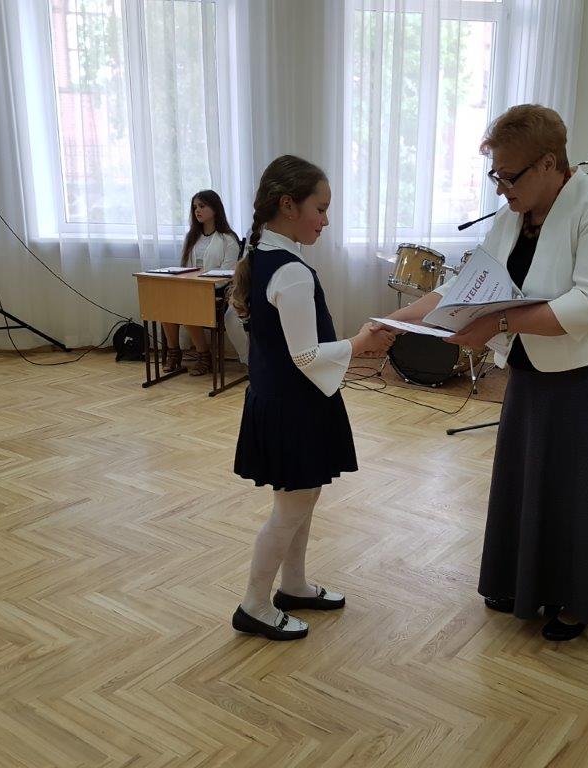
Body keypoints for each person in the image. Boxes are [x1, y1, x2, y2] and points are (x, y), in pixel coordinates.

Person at [385, 104, 588, 641]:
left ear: (549, 163)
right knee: (527, 479)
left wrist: (496, 323)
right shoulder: (513, 215)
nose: (501, 189)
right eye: (495, 175)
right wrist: (398, 320)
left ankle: (575, 599)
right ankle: (520, 582)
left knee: (577, 488)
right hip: (533, 365)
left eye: (510, 176)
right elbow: (465, 285)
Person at [229, 155, 395, 641]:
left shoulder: (265, 257)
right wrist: (361, 342)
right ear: (288, 205)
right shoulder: (291, 272)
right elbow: (305, 356)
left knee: (301, 499)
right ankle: (254, 605)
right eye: (320, 209)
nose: (325, 220)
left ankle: (294, 585)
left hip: (279, 402)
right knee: (290, 509)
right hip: (293, 409)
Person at [162, 190, 241, 375]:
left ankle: (204, 355)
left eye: (202, 206)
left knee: (188, 304)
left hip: (217, 289)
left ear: (215, 208)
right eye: (195, 207)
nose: (197, 210)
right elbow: (184, 267)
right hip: (191, 287)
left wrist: (201, 282)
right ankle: (174, 353)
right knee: (165, 303)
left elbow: (228, 274)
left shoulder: (228, 239)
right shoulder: (192, 236)